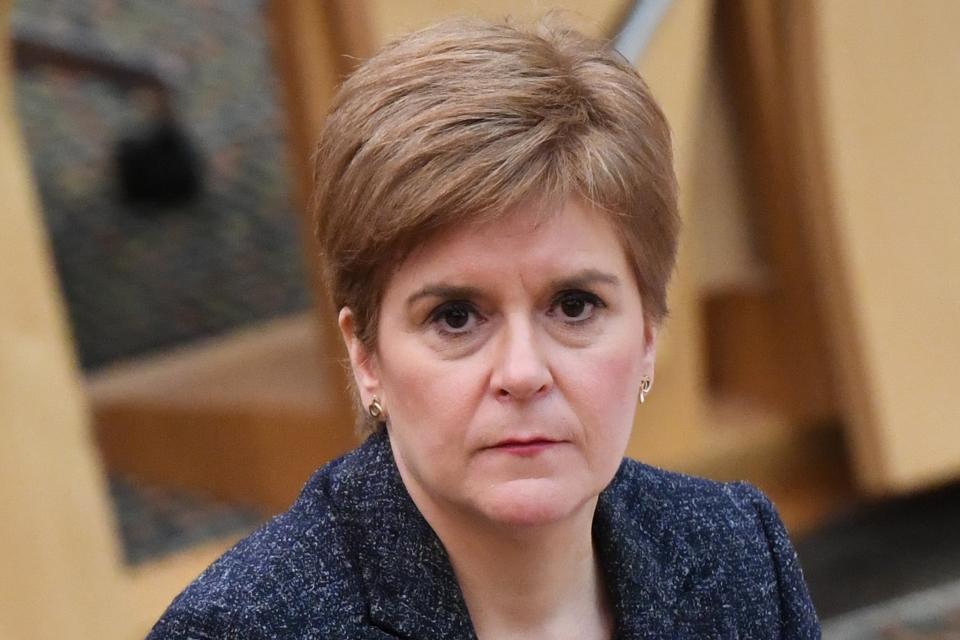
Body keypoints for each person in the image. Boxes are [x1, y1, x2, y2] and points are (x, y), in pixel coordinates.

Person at [148, 16, 820, 639]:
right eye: (456, 317)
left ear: (647, 334)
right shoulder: (243, 631)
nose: (523, 373)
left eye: (575, 306)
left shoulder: (737, 551)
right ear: (366, 356)